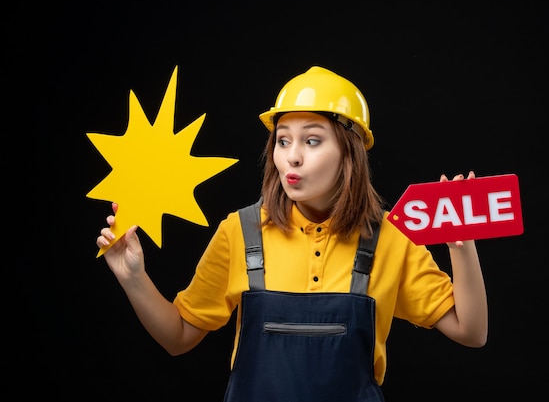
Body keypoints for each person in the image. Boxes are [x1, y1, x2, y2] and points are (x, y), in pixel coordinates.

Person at [96, 66, 488, 401]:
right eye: (283, 140)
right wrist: (133, 279)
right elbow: (178, 336)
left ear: (349, 153)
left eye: (312, 140)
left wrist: (462, 246)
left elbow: (471, 332)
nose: (292, 156)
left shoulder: (390, 238)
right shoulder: (240, 232)